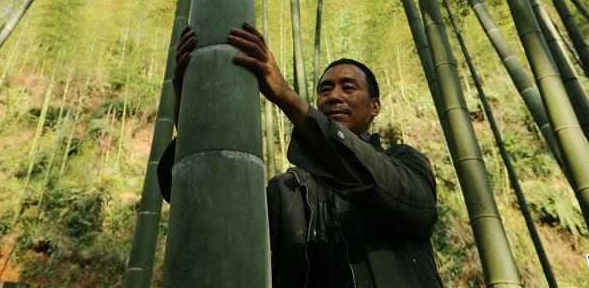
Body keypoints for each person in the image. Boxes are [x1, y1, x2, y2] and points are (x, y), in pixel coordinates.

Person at [158, 21, 443, 288]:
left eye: (348, 87)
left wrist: (286, 96)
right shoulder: (287, 190)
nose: (333, 97)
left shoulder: (405, 161)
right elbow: (213, 207)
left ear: (375, 106)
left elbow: (408, 202)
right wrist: (191, 109)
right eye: (325, 90)